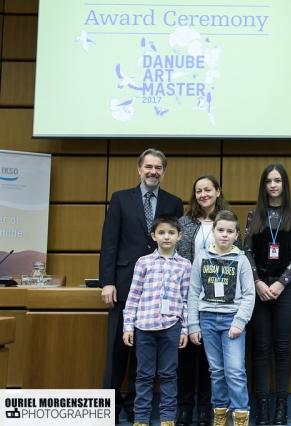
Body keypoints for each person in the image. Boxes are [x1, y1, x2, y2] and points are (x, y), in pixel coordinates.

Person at [99, 148, 183, 423]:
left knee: (143, 357)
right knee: (117, 351)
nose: (153, 172)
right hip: (125, 288)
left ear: (164, 171)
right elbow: (109, 242)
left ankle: (138, 410)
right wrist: (108, 282)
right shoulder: (121, 199)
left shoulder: (173, 203)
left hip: (158, 293)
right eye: (148, 167)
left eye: (158, 167)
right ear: (139, 169)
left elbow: (173, 243)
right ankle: (108, 409)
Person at [244, 164, 291, 425]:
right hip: (258, 288)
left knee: (281, 348)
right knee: (260, 348)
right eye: (268, 180)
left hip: (286, 287)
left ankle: (281, 407)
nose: (273, 185)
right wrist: (257, 281)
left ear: (284, 183)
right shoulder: (253, 214)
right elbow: (246, 251)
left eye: (278, 180)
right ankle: (262, 407)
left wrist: (281, 283)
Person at [188, 210, 256, 426]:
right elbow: (193, 292)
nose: (224, 235)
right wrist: (192, 325)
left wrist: (239, 322)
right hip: (207, 319)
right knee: (216, 371)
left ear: (237, 235)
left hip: (232, 321)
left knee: (235, 371)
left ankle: (240, 416)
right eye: (220, 230)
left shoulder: (242, 260)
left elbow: (249, 295)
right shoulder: (202, 257)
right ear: (213, 232)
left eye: (230, 231)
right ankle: (220, 414)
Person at [123, 216, 191, 426]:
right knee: (143, 375)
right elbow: (133, 295)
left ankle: (167, 419)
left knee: (169, 374)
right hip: (144, 325)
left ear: (179, 236)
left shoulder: (185, 265)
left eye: (171, 233)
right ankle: (141, 419)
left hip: (172, 326)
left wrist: (185, 329)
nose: (166, 236)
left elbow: (186, 298)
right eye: (161, 232)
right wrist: (128, 326)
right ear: (154, 236)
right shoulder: (144, 262)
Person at [176, 175, 229, 426]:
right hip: (189, 295)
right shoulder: (184, 223)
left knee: (212, 360)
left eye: (208, 189)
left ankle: (206, 410)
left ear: (218, 191)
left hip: (219, 301)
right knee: (187, 356)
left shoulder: (227, 221)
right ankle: (185, 408)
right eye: (198, 191)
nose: (203, 194)